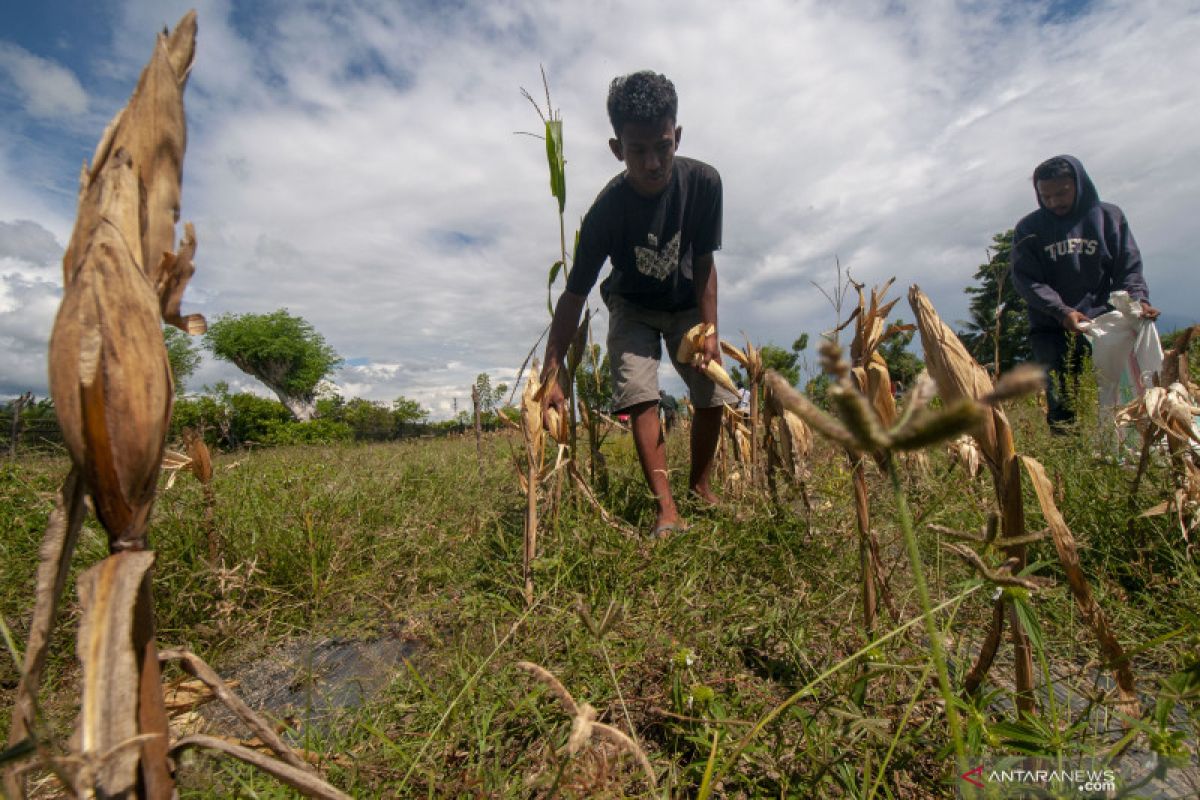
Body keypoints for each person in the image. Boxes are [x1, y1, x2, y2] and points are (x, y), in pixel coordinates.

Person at [540, 70, 738, 537]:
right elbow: (574, 295)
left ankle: (700, 489)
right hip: (631, 304)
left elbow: (705, 263)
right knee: (639, 394)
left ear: (678, 136)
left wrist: (709, 331)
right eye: (638, 150)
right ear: (617, 149)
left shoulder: (704, 184)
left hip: (684, 298)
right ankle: (666, 510)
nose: (653, 163)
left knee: (713, 394)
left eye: (663, 146)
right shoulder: (606, 213)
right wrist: (553, 368)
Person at [1011, 155, 1159, 432]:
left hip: (1105, 328)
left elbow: (1128, 267)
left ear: (1079, 184)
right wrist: (1061, 311)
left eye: (1061, 193)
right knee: (1063, 405)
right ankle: (1066, 463)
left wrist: (1139, 301)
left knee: (1120, 398)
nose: (1054, 202)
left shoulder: (1108, 217)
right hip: (1052, 331)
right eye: (1046, 196)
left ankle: (1124, 458)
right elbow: (1026, 280)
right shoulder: (1029, 230)